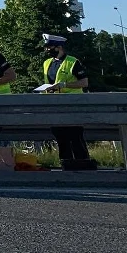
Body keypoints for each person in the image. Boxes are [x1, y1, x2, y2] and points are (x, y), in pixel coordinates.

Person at [41, 33, 97, 170]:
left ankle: (83, 163)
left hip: (73, 104)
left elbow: (84, 82)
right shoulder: (47, 63)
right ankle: (66, 164)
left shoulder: (72, 62)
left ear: (59, 47)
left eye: (50, 47)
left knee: (75, 136)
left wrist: (64, 85)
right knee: (60, 136)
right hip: (54, 105)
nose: (47, 50)